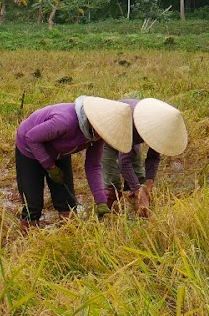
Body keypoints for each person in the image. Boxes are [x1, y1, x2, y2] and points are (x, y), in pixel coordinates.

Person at [15, 96, 133, 225]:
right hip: (29, 148)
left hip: (59, 152)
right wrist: (49, 166)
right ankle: (29, 237)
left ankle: (67, 235)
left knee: (67, 203)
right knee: (33, 204)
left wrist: (101, 201)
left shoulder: (97, 135)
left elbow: (93, 166)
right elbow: (31, 137)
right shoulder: (65, 121)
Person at [102, 98, 188, 218]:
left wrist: (148, 185)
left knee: (138, 178)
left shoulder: (161, 128)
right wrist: (138, 191)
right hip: (111, 128)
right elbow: (124, 162)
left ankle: (138, 215)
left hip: (133, 131)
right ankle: (106, 217)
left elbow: (153, 157)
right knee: (113, 183)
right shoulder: (133, 124)